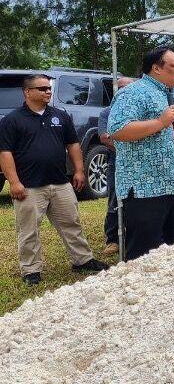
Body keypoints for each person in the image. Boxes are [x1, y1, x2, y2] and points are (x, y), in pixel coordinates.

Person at [0, 74, 109, 284]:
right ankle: (31, 270)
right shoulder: (12, 120)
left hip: (60, 183)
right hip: (29, 186)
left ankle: (82, 260)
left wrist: (79, 171)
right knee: (29, 230)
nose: (48, 91)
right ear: (27, 92)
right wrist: (14, 182)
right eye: (42, 89)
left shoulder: (60, 115)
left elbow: (73, 144)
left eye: (48, 88)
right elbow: (5, 153)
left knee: (72, 223)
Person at [108, 47, 174, 260]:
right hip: (147, 187)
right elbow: (117, 130)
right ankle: (141, 291)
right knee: (145, 252)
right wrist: (160, 122)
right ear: (156, 68)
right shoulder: (132, 93)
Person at [98, 76, 136, 255]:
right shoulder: (107, 112)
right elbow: (105, 137)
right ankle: (112, 239)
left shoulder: (139, 110)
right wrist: (129, 145)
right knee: (115, 199)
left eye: (127, 87)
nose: (123, 90)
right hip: (116, 162)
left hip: (139, 164)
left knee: (137, 200)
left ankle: (134, 237)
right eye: (120, 87)